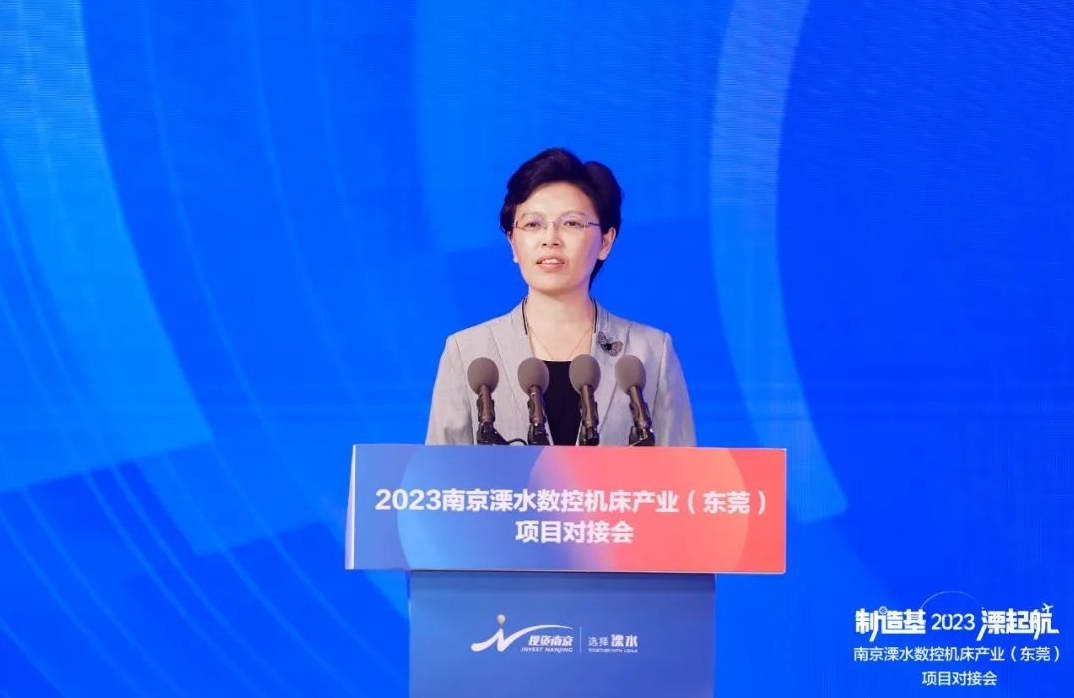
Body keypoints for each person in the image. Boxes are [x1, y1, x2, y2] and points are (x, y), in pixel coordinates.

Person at [424, 147, 695, 447]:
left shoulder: (650, 352)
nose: (550, 238)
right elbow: (439, 472)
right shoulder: (467, 353)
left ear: (606, 242)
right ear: (513, 243)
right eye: (533, 224)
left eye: (571, 223)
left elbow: (682, 471)